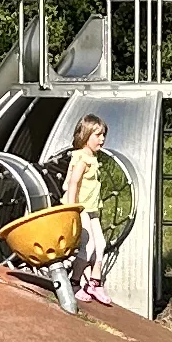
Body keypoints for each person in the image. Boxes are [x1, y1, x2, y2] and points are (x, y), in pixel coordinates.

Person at [49, 114, 115, 311]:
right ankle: (75, 281)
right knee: (88, 246)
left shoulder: (93, 158)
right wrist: (71, 208)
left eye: (103, 135)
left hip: (91, 209)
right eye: (97, 135)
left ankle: (94, 282)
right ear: (85, 135)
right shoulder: (82, 158)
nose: (102, 139)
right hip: (79, 208)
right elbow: (73, 183)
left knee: (101, 244)